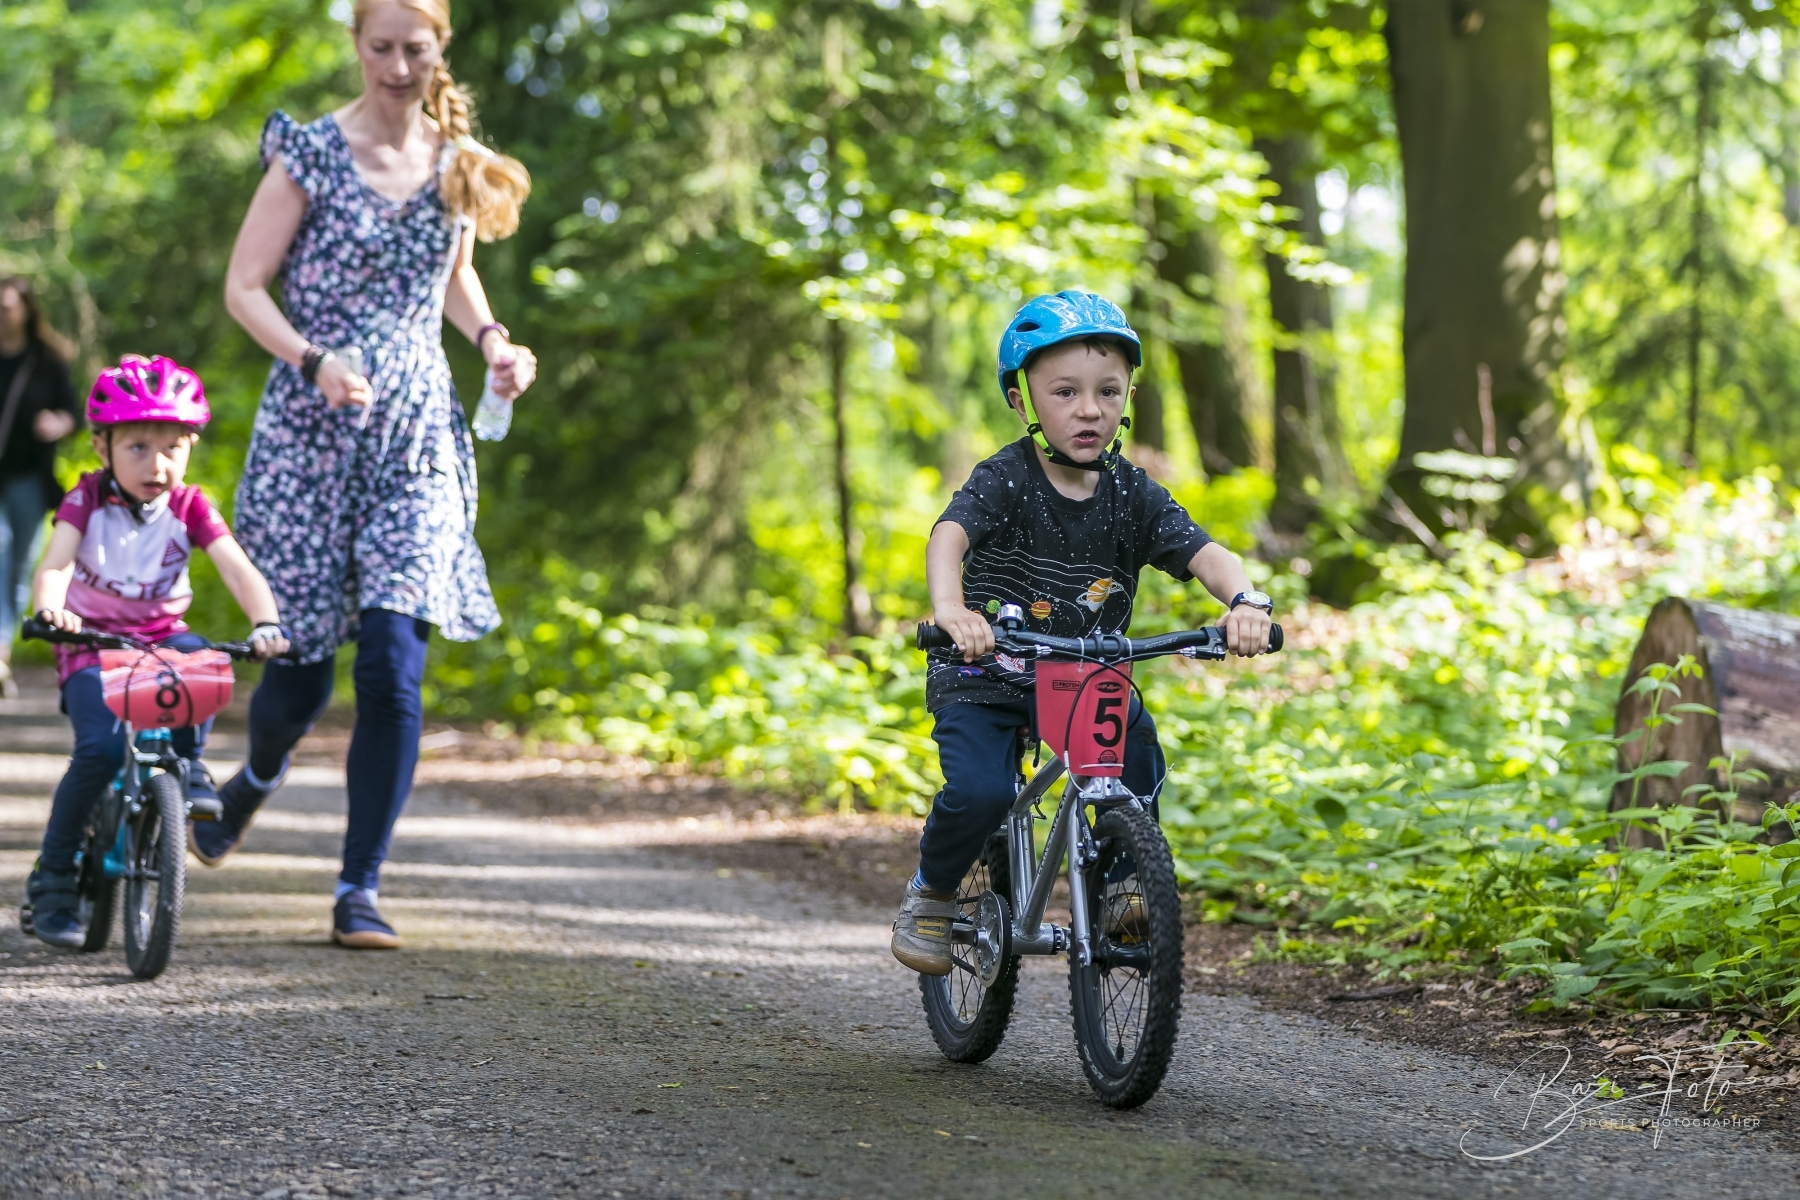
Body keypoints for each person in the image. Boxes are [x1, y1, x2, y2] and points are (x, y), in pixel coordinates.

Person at [210, 0, 537, 949]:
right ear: (356, 45)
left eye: (415, 49)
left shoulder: (456, 162)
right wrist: (313, 360)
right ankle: (255, 779)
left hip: (415, 442)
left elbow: (452, 276)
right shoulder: (309, 152)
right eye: (381, 48)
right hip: (309, 436)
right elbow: (243, 286)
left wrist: (493, 341)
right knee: (298, 684)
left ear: (440, 48)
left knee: (395, 665)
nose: (397, 66)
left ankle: (359, 887)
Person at [890, 291, 1276, 975]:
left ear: (1128, 398)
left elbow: (1206, 554)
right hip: (985, 667)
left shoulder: (1132, 493)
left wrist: (1246, 601)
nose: (1089, 409)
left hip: (1082, 672)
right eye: (1065, 392)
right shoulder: (1005, 478)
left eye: (1107, 391)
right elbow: (949, 535)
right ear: (1024, 402)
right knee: (980, 792)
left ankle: (1124, 884)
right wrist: (952, 611)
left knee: (1137, 753)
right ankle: (934, 892)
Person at [21, 355, 290, 949]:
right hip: (89, 641)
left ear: (191, 448)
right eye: (138, 447)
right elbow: (56, 564)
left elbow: (238, 569)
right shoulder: (86, 499)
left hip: (161, 637)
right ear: (102, 446)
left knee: (201, 658)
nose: (157, 464)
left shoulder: (190, 506)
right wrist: (51, 609)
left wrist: (266, 623)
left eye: (173, 447)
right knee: (97, 751)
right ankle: (55, 876)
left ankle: (188, 767)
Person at [0, 276, 82, 700]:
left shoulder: (47, 361)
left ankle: (2, 649)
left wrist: (58, 422)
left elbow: (74, 413)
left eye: (6, 309)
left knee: (19, 565)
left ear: (26, 311)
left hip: (29, 477)